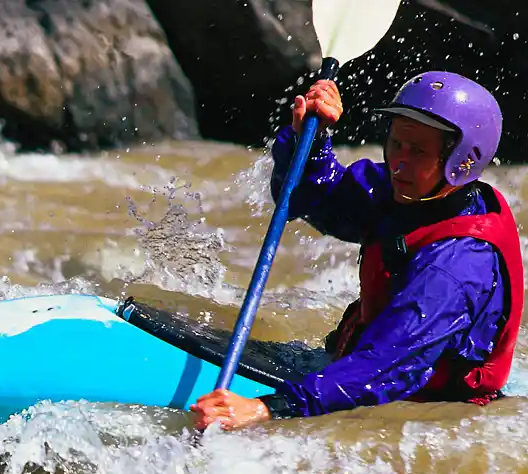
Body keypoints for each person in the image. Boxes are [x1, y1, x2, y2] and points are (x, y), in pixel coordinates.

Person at [191, 71, 524, 431]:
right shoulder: (408, 190)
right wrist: (312, 138)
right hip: (363, 373)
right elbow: (313, 199)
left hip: (423, 418)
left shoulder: (455, 268)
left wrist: (265, 409)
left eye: (417, 152)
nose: (398, 163)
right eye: (396, 144)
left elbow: (386, 367)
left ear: (462, 162)